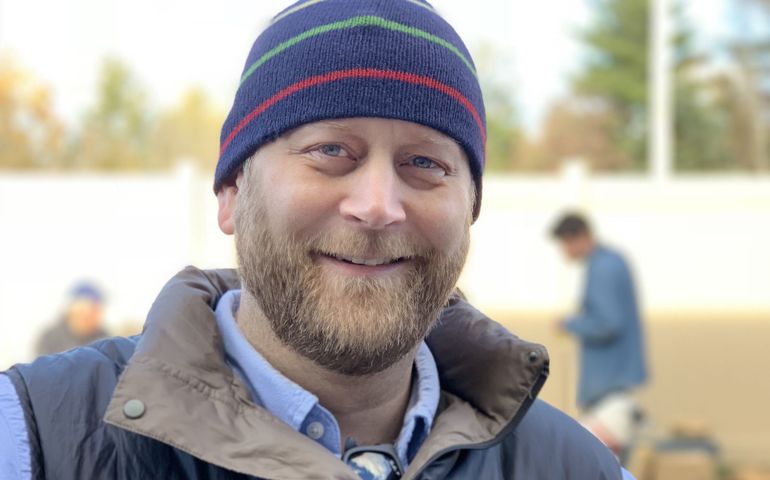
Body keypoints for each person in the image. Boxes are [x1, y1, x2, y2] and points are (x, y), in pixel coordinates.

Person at [0, 2, 634, 478]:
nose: (379, 206)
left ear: (470, 207)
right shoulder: (36, 437)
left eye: (426, 164)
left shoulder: (577, 467)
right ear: (231, 191)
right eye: (330, 151)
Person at [551, 211, 648, 461]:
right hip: (615, 382)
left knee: (596, 462)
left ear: (578, 237)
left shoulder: (602, 267)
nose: (564, 251)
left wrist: (570, 324)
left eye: (564, 243)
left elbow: (608, 323)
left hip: (608, 385)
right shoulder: (612, 260)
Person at [34, 281, 108, 356]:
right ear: (73, 311)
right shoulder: (50, 338)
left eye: (97, 312)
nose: (95, 317)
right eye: (90, 312)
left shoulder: (104, 338)